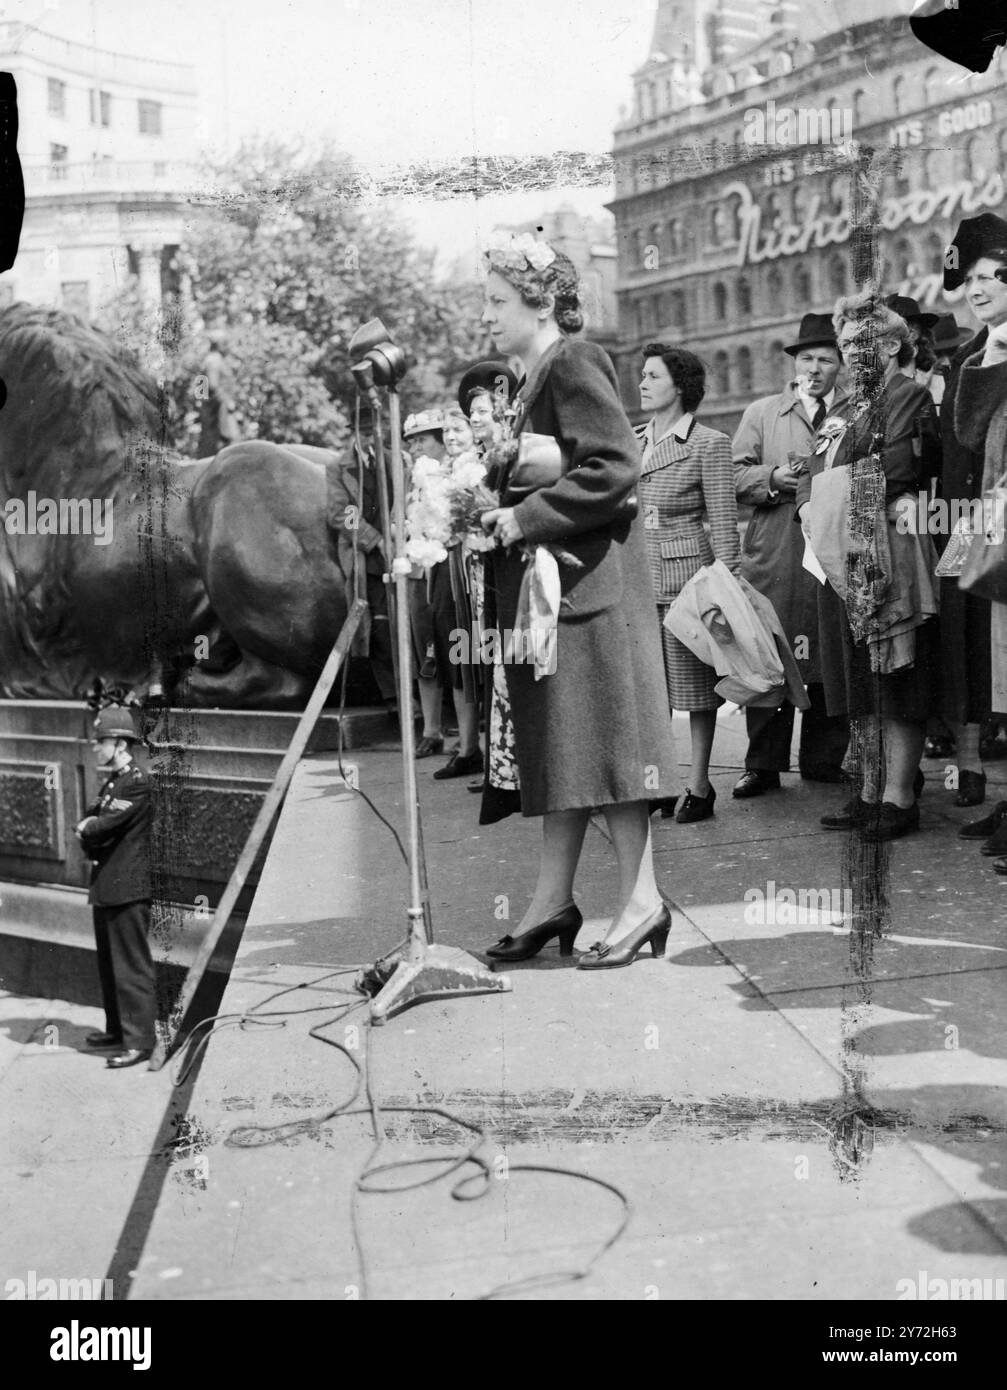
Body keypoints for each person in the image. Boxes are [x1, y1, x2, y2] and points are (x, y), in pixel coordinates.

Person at [477, 234, 676, 968]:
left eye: (497, 301)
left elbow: (617, 465)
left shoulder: (572, 361)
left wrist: (519, 517)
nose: (486, 315)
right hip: (558, 596)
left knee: (610, 756)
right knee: (565, 756)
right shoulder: (532, 377)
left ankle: (643, 901)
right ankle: (551, 902)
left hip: (590, 593)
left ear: (537, 302)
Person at [796, 292, 941, 841]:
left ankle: (900, 796)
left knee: (896, 674)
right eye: (844, 342)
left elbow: (902, 466)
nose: (850, 352)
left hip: (887, 551)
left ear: (889, 345)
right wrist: (808, 500)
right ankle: (868, 790)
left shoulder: (910, 397)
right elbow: (813, 465)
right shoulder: (839, 407)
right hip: (835, 555)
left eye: (860, 342)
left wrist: (827, 490)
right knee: (856, 676)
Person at [731, 315, 850, 798]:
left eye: (826, 359)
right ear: (794, 365)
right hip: (776, 551)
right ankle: (762, 764)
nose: (815, 369)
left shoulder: (855, 410)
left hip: (830, 551)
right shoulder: (763, 413)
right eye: (807, 359)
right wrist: (771, 479)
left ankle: (824, 758)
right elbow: (731, 476)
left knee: (828, 649)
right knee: (768, 654)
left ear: (840, 365)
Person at [637, 342, 740, 822]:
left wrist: (728, 589)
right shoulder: (633, 441)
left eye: (653, 377)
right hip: (636, 582)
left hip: (687, 583)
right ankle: (658, 782)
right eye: (643, 375)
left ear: (680, 387)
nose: (642, 383)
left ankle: (699, 786)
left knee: (695, 689)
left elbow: (722, 522)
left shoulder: (709, 443)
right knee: (649, 691)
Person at [934, 213, 1007, 808]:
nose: (977, 289)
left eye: (992, 277)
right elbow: (959, 442)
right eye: (971, 279)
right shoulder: (970, 356)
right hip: (981, 529)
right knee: (991, 665)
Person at [75, 706, 156, 1069]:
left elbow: (102, 825)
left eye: (100, 741)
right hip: (110, 885)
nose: (95, 748)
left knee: (130, 967)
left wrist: (91, 828)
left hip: (127, 887)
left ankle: (139, 1041)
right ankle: (119, 1032)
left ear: (120, 742)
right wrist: (90, 826)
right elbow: (89, 819)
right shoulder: (114, 781)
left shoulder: (136, 780)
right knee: (111, 965)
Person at [326, 440, 398, 714]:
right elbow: (339, 513)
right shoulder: (338, 467)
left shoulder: (397, 460)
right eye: (363, 430)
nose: (369, 437)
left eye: (373, 430)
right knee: (378, 625)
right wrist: (376, 540)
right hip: (366, 555)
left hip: (403, 548)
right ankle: (393, 696)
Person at [197, 329, 240, 457]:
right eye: (225, 343)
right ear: (219, 344)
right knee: (231, 441)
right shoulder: (214, 360)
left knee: (227, 443)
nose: (228, 346)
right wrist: (228, 402)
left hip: (218, 407)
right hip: (220, 408)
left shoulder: (213, 359)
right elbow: (213, 385)